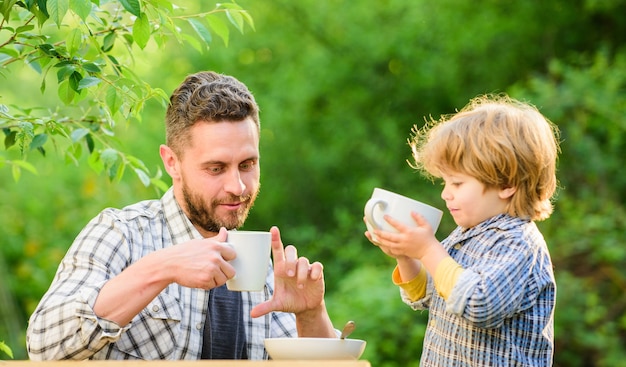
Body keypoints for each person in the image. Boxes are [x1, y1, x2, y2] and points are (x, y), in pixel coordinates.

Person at [26, 71, 337, 360]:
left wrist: (310, 312)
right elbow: (43, 345)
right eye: (216, 169)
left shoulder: (263, 270)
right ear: (172, 162)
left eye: (247, 165)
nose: (238, 186)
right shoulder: (122, 233)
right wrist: (162, 267)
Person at [364, 94, 559, 366]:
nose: (445, 194)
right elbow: (428, 295)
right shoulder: (466, 233)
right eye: (445, 182)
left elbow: (479, 303)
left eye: (456, 183)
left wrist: (428, 249)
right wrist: (406, 255)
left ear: (506, 184)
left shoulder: (519, 244)